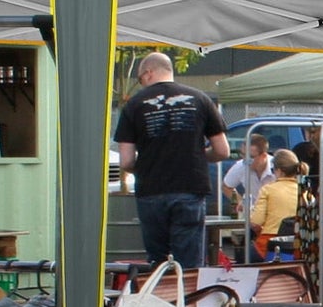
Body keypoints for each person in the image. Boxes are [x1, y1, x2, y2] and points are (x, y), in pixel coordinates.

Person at [113, 52, 229, 269]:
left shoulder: (134, 105)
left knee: (157, 263)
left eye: (139, 79)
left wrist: (148, 166)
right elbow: (222, 150)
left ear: (148, 73)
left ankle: (161, 299)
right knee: (189, 265)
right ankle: (187, 301)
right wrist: (195, 157)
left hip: (151, 191)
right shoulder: (201, 99)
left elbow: (126, 161)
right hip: (190, 187)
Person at [247, 148, 305, 260]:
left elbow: (255, 223)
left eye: (273, 170)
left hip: (270, 244)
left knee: (244, 256)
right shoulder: (305, 192)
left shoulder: (268, 190)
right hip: (298, 245)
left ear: (279, 171)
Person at [221, 133, 275, 216]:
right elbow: (226, 186)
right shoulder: (241, 166)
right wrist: (241, 202)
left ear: (263, 156)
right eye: (243, 155)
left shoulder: (277, 168)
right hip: (254, 215)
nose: (245, 160)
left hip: (275, 213)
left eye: (250, 156)